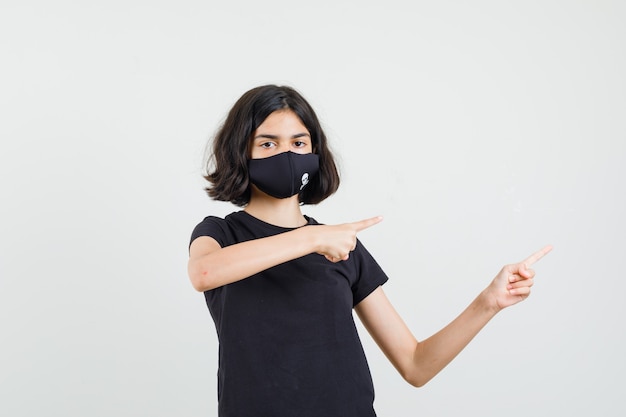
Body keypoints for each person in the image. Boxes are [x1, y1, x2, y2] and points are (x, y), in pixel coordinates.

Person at [188, 84, 552, 417]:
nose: (286, 154)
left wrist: (488, 302)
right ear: (242, 151)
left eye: (298, 143)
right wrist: (312, 238)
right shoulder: (221, 234)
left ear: (314, 151)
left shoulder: (343, 246)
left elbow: (415, 365)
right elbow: (204, 273)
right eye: (268, 143)